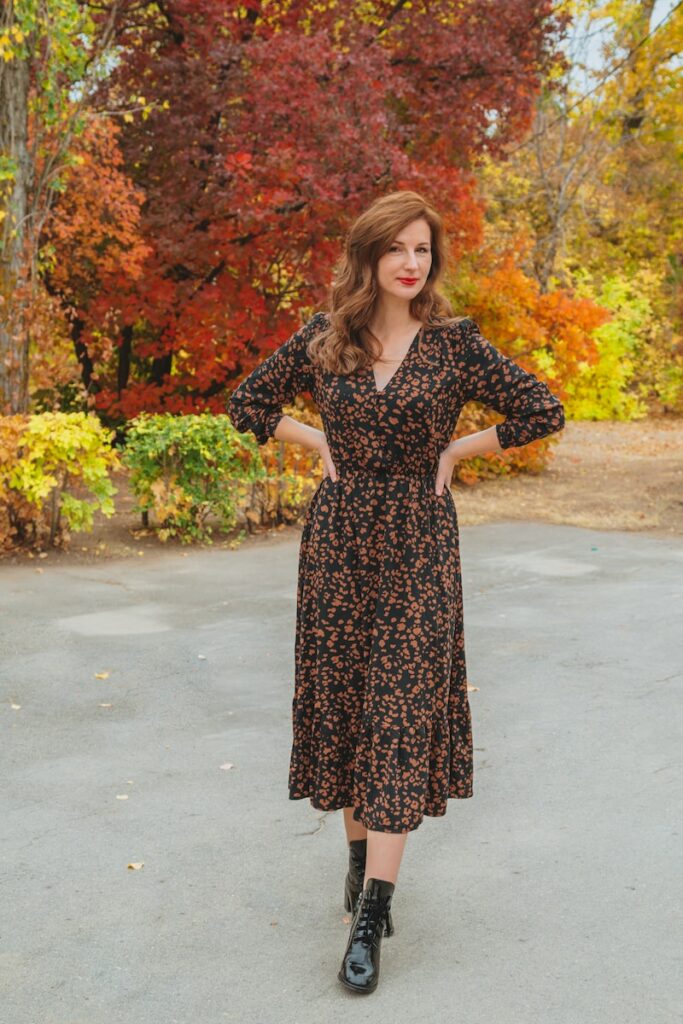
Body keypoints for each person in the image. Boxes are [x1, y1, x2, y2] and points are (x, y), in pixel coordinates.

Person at [227, 190, 565, 995]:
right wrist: (317, 440)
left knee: (399, 713)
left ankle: (370, 915)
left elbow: (542, 409)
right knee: (347, 703)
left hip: (417, 544)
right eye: (397, 250)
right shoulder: (326, 338)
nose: (411, 263)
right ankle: (355, 864)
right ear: (368, 257)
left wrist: (457, 448)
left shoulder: (454, 345)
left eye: (422, 250)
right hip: (339, 544)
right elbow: (247, 403)